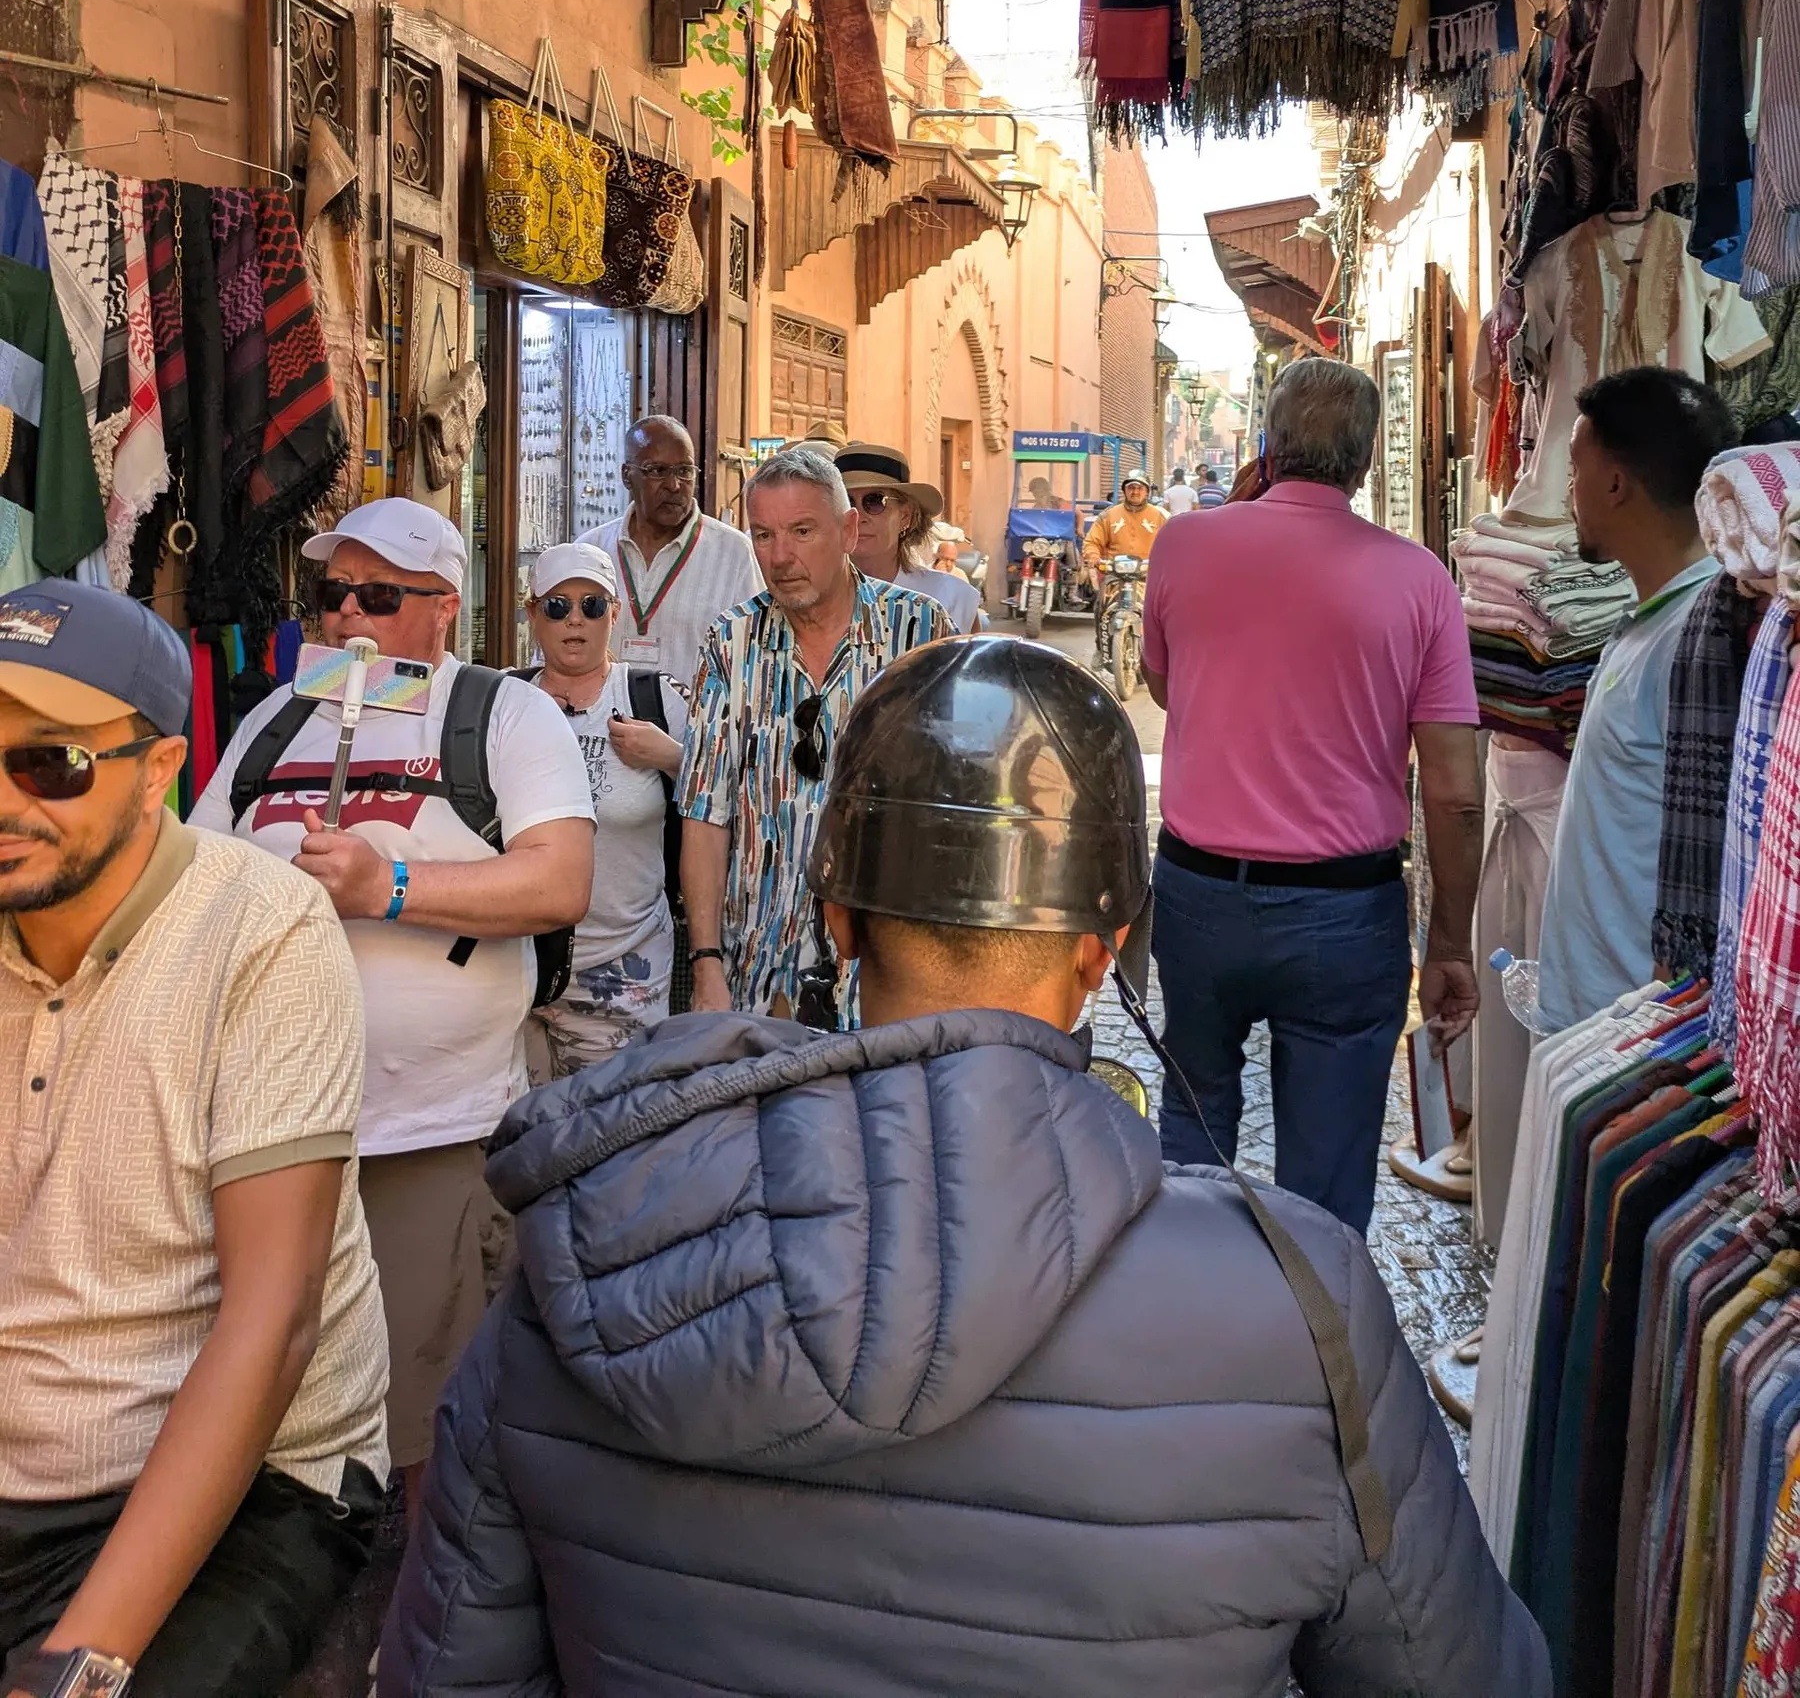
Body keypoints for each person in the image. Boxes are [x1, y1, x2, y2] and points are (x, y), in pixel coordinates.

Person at [379, 640, 1549, 1698]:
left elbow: (449, 1670)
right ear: (1103, 954)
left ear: (836, 920)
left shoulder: (592, 1245)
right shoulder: (1301, 1303)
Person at [0, 582, 388, 1697]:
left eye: (51, 764)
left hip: (258, 1476)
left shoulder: (259, 929)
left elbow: (273, 1321)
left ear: (161, 768)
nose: (7, 798)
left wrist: (80, 1665)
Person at [188, 497, 593, 1507]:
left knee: (423, 1409)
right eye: (331, 594)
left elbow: (557, 882)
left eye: (379, 594)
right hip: (269, 1134)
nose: (346, 616)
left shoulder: (504, 713)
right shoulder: (276, 720)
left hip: (429, 1132)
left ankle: (410, 1623)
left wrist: (389, 888)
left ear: (444, 607)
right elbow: (195, 876)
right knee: (261, 1395)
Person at [1141, 358, 1483, 1234]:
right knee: (1326, 1180)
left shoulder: (1182, 545)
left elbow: (1170, 689)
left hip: (1200, 899)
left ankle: (1178, 1315)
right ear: (1365, 465)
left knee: (1192, 1128)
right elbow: (1453, 792)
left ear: (1267, 441)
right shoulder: (1420, 580)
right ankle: (1315, 1351)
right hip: (1346, 914)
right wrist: (1448, 940)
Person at [677, 446, 951, 1018]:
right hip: (755, 973)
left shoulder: (920, 631)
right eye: (763, 535)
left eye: (802, 531)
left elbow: (951, 806)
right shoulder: (730, 642)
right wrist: (705, 962)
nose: (780, 557)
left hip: (888, 976)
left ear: (849, 530)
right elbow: (705, 812)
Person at [1536, 367, 1737, 1033]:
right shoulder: (1651, 617)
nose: (1570, 493)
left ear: (1616, 484)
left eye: (1575, 470)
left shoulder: (1701, 641)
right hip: (1600, 1016)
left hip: (1639, 1031)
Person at [515, 543, 687, 1076]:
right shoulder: (502, 701)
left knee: (612, 1140)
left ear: (614, 614)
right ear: (532, 614)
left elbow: (723, 802)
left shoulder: (655, 700)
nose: (575, 620)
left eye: (592, 606)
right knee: (515, 1145)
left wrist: (673, 758)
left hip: (625, 971)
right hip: (515, 965)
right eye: (557, 606)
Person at [580, 414, 760, 690]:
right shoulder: (590, 551)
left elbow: (754, 658)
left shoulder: (734, 554)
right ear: (627, 475)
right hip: (601, 727)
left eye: (684, 471)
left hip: (693, 730)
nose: (674, 485)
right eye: (657, 471)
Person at [835, 439, 983, 632]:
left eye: (875, 501)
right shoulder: (807, 597)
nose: (858, 516)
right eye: (847, 502)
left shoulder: (952, 598)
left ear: (905, 516)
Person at [1081, 466, 1167, 581]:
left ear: (1147, 492)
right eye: (1131, 488)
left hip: (1149, 576)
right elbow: (1092, 541)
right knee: (1100, 596)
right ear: (1124, 491)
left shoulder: (1160, 516)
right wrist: (1093, 556)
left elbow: (1173, 545)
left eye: (1139, 488)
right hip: (1114, 576)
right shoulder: (1108, 515)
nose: (1135, 492)